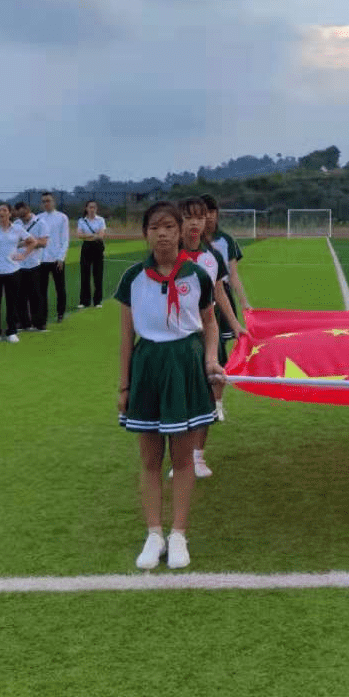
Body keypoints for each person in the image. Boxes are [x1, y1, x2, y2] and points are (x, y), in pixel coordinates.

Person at [117, 201, 227, 570]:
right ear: (145, 233)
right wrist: (124, 386)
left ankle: (179, 534)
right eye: (154, 227)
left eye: (168, 226)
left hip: (184, 367)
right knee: (150, 459)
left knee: (182, 459)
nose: (162, 233)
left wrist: (211, 358)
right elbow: (126, 336)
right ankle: (154, 534)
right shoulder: (133, 277)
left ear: (181, 232)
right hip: (147, 368)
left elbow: (210, 323)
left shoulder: (197, 275)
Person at [178, 197, 245, 478]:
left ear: (207, 220)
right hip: (177, 338)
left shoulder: (212, 257)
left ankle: (198, 457)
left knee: (207, 393)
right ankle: (180, 460)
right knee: (179, 399)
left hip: (208, 335)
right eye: (189, 217)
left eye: (200, 217)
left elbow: (220, 295)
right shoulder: (169, 255)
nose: (195, 223)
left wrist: (236, 324)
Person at [203, 195, 252, 422]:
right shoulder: (187, 243)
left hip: (221, 305)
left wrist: (244, 304)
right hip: (195, 307)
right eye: (203, 213)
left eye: (212, 212)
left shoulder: (226, 241)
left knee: (219, 356)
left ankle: (217, 404)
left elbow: (232, 276)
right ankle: (200, 402)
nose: (208, 217)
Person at [0, 203, 36, 344]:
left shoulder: (17, 229)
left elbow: (32, 242)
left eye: (4, 210)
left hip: (12, 271)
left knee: (12, 303)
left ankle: (12, 331)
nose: (1, 213)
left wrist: (23, 255)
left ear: (10, 213)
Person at [15, 203, 48, 332]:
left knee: (36, 295)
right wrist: (27, 242)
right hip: (19, 264)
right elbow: (14, 241)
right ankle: (23, 323)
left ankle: (39, 323)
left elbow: (44, 242)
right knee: (20, 295)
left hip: (35, 263)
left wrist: (29, 242)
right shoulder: (16, 224)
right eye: (18, 212)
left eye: (22, 211)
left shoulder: (40, 223)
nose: (20, 215)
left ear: (28, 210)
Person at [39, 192, 71, 324]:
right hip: (41, 260)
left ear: (53, 202)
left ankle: (60, 313)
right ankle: (42, 315)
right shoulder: (38, 218)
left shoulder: (62, 217)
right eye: (44, 201)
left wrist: (61, 257)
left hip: (56, 259)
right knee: (41, 290)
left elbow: (65, 239)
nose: (46, 203)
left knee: (60, 288)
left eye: (48, 201)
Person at [77, 200, 108, 309]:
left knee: (98, 274)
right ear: (86, 208)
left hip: (97, 247)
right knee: (85, 274)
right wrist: (92, 236)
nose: (92, 209)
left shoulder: (101, 220)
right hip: (86, 248)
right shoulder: (82, 220)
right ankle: (84, 301)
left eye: (94, 207)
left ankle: (97, 301)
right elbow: (80, 235)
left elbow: (101, 235)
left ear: (96, 209)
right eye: (90, 207)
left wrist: (89, 236)